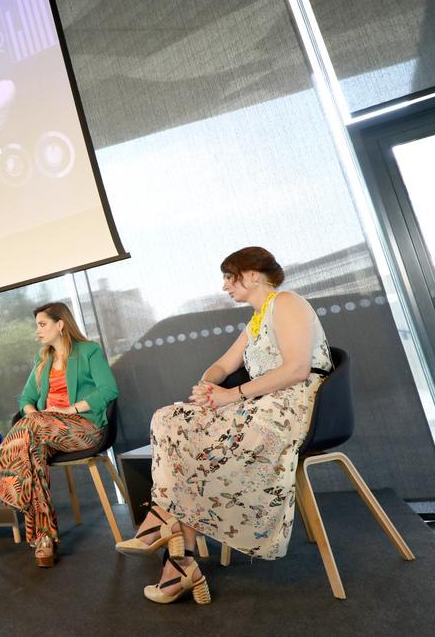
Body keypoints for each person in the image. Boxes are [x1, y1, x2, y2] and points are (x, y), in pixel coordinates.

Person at [116, 246, 333, 606]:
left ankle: (169, 540)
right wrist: (208, 385)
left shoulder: (288, 302)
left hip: (291, 409)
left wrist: (233, 395)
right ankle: (178, 555)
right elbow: (222, 365)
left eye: (229, 277)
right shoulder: (258, 318)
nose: (224, 287)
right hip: (259, 404)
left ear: (251, 274)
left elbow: (296, 369)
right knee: (168, 419)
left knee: (198, 450)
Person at [0, 302, 118, 567]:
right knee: (33, 456)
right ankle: (45, 539)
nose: (37, 331)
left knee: (31, 429)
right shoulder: (43, 359)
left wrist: (69, 409)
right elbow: (27, 399)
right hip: (42, 432)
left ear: (60, 324)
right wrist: (32, 414)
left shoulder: (88, 351)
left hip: (83, 428)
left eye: (42, 324)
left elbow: (108, 390)